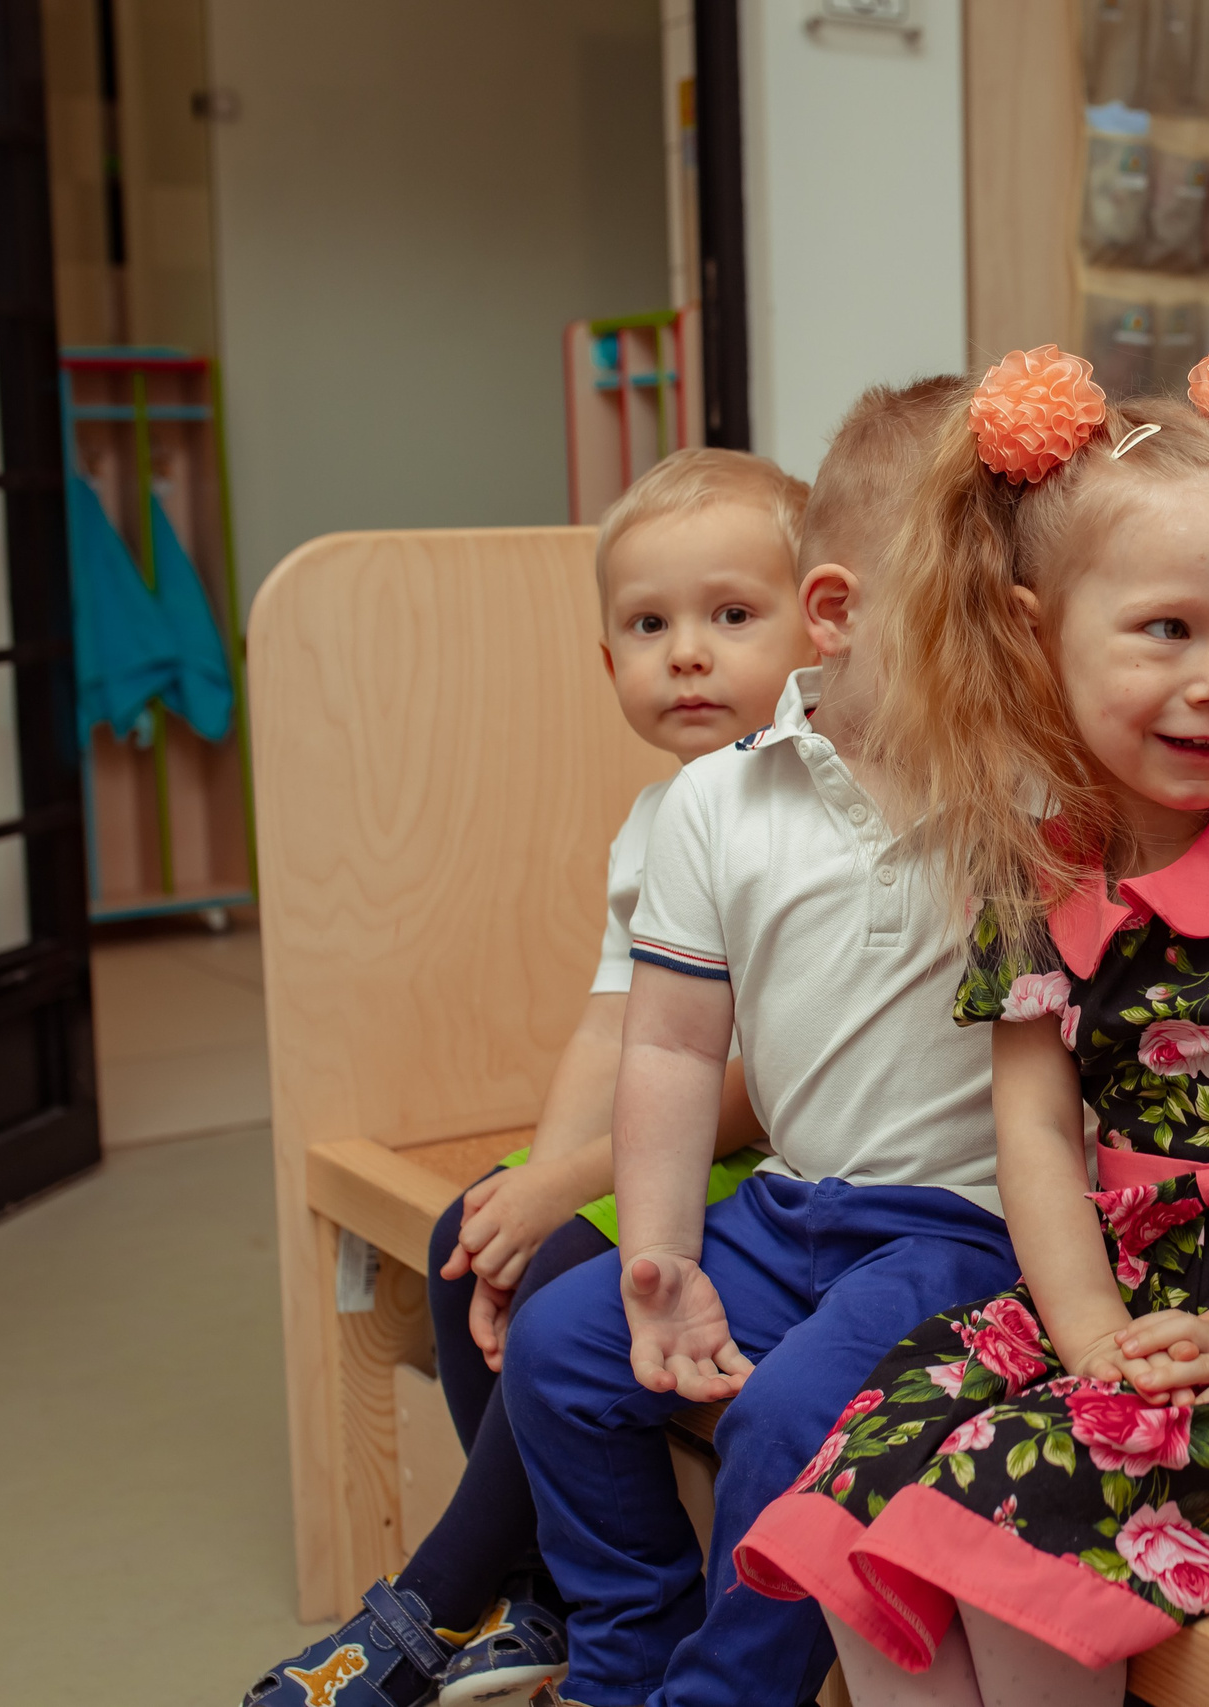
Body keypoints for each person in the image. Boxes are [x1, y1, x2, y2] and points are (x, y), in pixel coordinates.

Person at [737, 346, 1209, 1707]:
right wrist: (1081, 1334)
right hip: (1124, 1279)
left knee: (1018, 1523)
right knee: (859, 1469)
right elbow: (1031, 1114)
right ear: (1036, 631)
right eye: (1168, 631)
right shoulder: (1039, 857)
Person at [244, 446, 813, 1707]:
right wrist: (531, 1181)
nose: (686, 653)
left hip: (783, 1167)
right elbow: (617, 1026)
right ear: (607, 662)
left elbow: (778, 1080)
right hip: (667, 1141)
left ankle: (442, 1599)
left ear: (820, 622)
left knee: (559, 1258)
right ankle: (546, 1592)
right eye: (648, 626)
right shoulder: (662, 816)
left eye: (731, 616)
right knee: (476, 1240)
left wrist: (575, 1189)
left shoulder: (807, 807)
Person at [499, 375, 1032, 1707]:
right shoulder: (717, 802)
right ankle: (626, 1640)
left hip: (962, 1229)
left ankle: (728, 1691)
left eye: (1036, 611)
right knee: (566, 1348)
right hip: (792, 1200)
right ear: (837, 614)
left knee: (796, 1415)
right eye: (979, 616)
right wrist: (665, 1249)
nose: (1024, 646)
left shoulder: (1037, 788)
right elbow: (675, 1048)